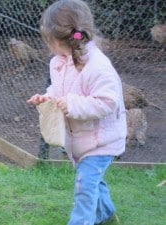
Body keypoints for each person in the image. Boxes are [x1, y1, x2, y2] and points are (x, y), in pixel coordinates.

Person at [27, 0, 127, 224]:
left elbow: (106, 102)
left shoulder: (98, 66)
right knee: (92, 181)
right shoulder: (59, 63)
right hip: (81, 140)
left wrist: (72, 104)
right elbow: (60, 90)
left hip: (102, 142)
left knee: (84, 187)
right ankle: (107, 214)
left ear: (53, 38)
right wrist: (48, 98)